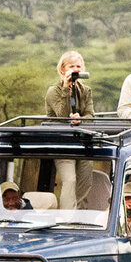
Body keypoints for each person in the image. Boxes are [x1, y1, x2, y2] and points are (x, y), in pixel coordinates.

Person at [45, 50, 94, 209]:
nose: (75, 69)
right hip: (62, 141)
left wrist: (81, 119)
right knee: (70, 180)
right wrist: (67, 89)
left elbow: (90, 115)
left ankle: (80, 219)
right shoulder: (53, 91)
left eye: (78, 66)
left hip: (82, 141)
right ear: (62, 69)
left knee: (85, 182)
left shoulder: (85, 91)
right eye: (71, 66)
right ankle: (65, 219)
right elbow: (61, 116)